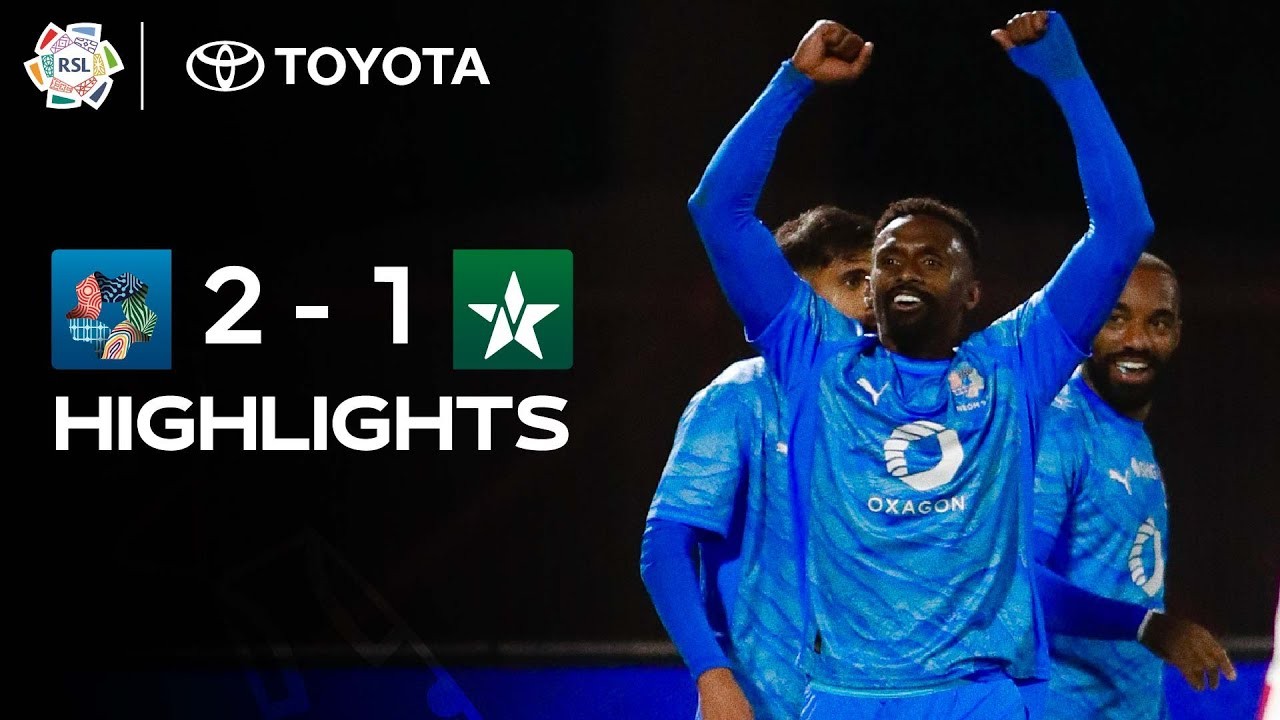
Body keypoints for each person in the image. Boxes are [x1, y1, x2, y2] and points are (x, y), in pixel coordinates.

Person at [687, 9, 1154, 718]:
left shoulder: (1014, 366)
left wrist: (1067, 77)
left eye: (932, 261)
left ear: (972, 292)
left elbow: (1122, 228)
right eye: (889, 259)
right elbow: (718, 211)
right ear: (871, 285)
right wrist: (793, 84)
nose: (906, 270)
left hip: (977, 697)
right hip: (847, 698)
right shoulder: (816, 360)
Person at [641, 205, 875, 720]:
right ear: (791, 292)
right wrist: (712, 675)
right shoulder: (741, 395)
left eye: (875, 280)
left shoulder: (898, 407)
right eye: (852, 278)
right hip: (763, 703)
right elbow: (665, 546)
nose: (871, 296)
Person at [1034, 254, 1236, 719]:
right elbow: (1022, 583)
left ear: (1177, 334)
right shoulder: (1060, 428)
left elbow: (1134, 590)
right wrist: (1149, 627)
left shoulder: (1130, 436)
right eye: (1116, 319)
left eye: (1157, 323)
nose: (1137, 340)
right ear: (1089, 320)